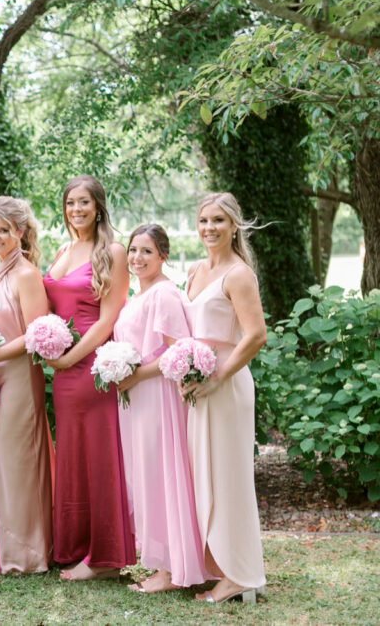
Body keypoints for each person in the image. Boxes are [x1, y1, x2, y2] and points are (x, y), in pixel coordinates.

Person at [42, 175, 134, 580]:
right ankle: (75, 546)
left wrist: (69, 359)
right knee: (73, 456)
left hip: (93, 368)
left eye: (83, 202)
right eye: (69, 203)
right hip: (62, 369)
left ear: (98, 206)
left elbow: (107, 318)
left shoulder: (112, 250)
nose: (76, 209)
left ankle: (104, 559)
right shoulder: (63, 249)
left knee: (97, 457)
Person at [182, 193, 267, 604]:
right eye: (203, 220)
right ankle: (217, 565)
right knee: (205, 475)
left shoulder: (238, 274)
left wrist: (218, 376)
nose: (209, 228)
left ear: (234, 226)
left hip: (226, 384)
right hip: (196, 383)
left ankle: (241, 575)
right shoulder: (197, 269)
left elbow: (255, 335)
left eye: (218, 220)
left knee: (229, 478)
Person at [114, 225, 206, 593]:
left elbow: (177, 351)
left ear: (163, 256)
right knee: (145, 476)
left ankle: (170, 570)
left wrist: (135, 376)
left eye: (147, 251)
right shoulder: (138, 295)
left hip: (157, 395)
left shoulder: (165, 294)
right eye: (133, 250)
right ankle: (158, 563)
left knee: (160, 476)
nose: (137, 258)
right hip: (135, 398)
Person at [0, 196, 54, 574]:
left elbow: (37, 333)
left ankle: (26, 554)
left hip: (19, 372)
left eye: (3, 229)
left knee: (16, 460)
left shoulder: (27, 274)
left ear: (20, 231)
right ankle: (5, 546)